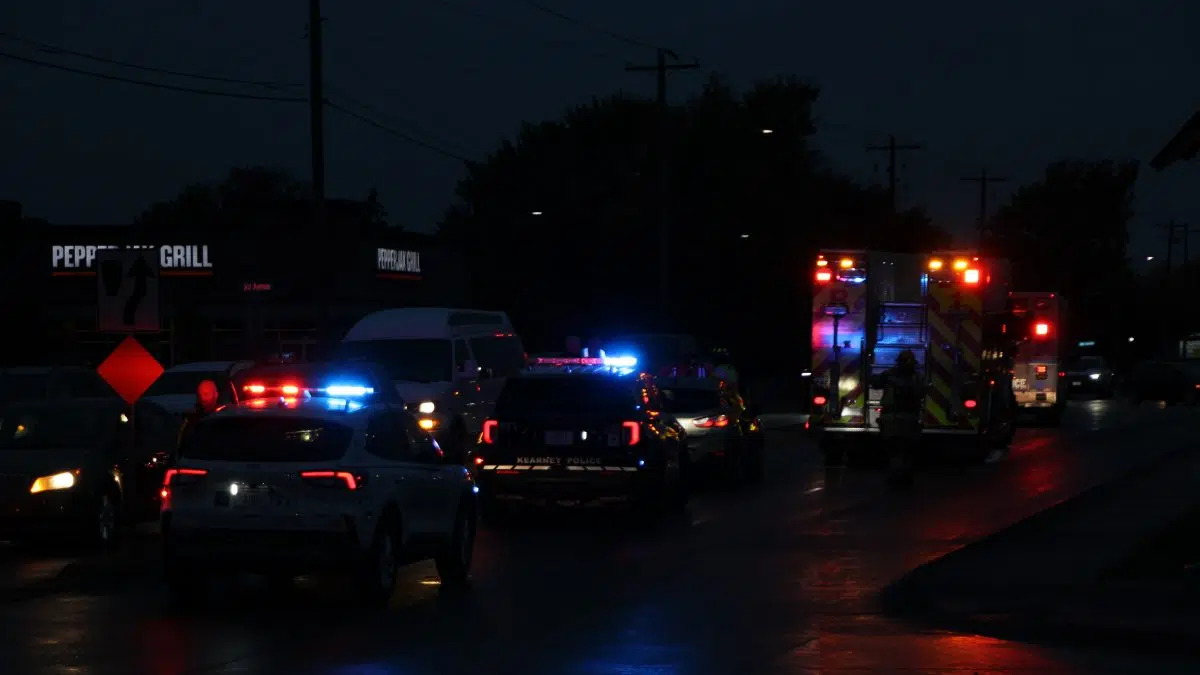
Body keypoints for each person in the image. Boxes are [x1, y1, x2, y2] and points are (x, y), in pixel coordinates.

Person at [871, 350, 924, 486]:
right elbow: (920, 393)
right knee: (904, 451)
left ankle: (897, 476)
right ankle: (901, 477)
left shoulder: (890, 375)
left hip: (894, 419)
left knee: (896, 450)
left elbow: (875, 382)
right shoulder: (915, 377)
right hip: (905, 419)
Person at [175, 380, 220, 460]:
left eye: (206, 394)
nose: (202, 398)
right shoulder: (190, 419)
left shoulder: (224, 417)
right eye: (200, 395)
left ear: (216, 395)